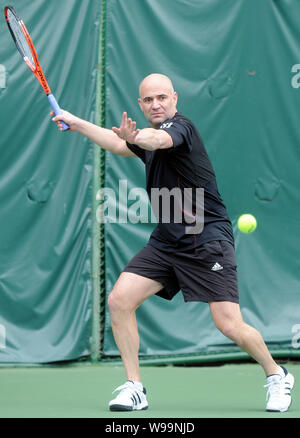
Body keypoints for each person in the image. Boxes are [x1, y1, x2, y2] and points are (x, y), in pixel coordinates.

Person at [52, 73, 294, 413]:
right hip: (168, 240)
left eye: (162, 98)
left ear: (175, 99)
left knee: (228, 323)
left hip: (207, 238)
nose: (156, 104)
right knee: (120, 300)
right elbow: (121, 144)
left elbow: (155, 141)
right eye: (149, 100)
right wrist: (76, 122)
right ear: (140, 104)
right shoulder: (147, 134)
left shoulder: (182, 129)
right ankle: (135, 387)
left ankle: (276, 374)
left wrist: (140, 137)